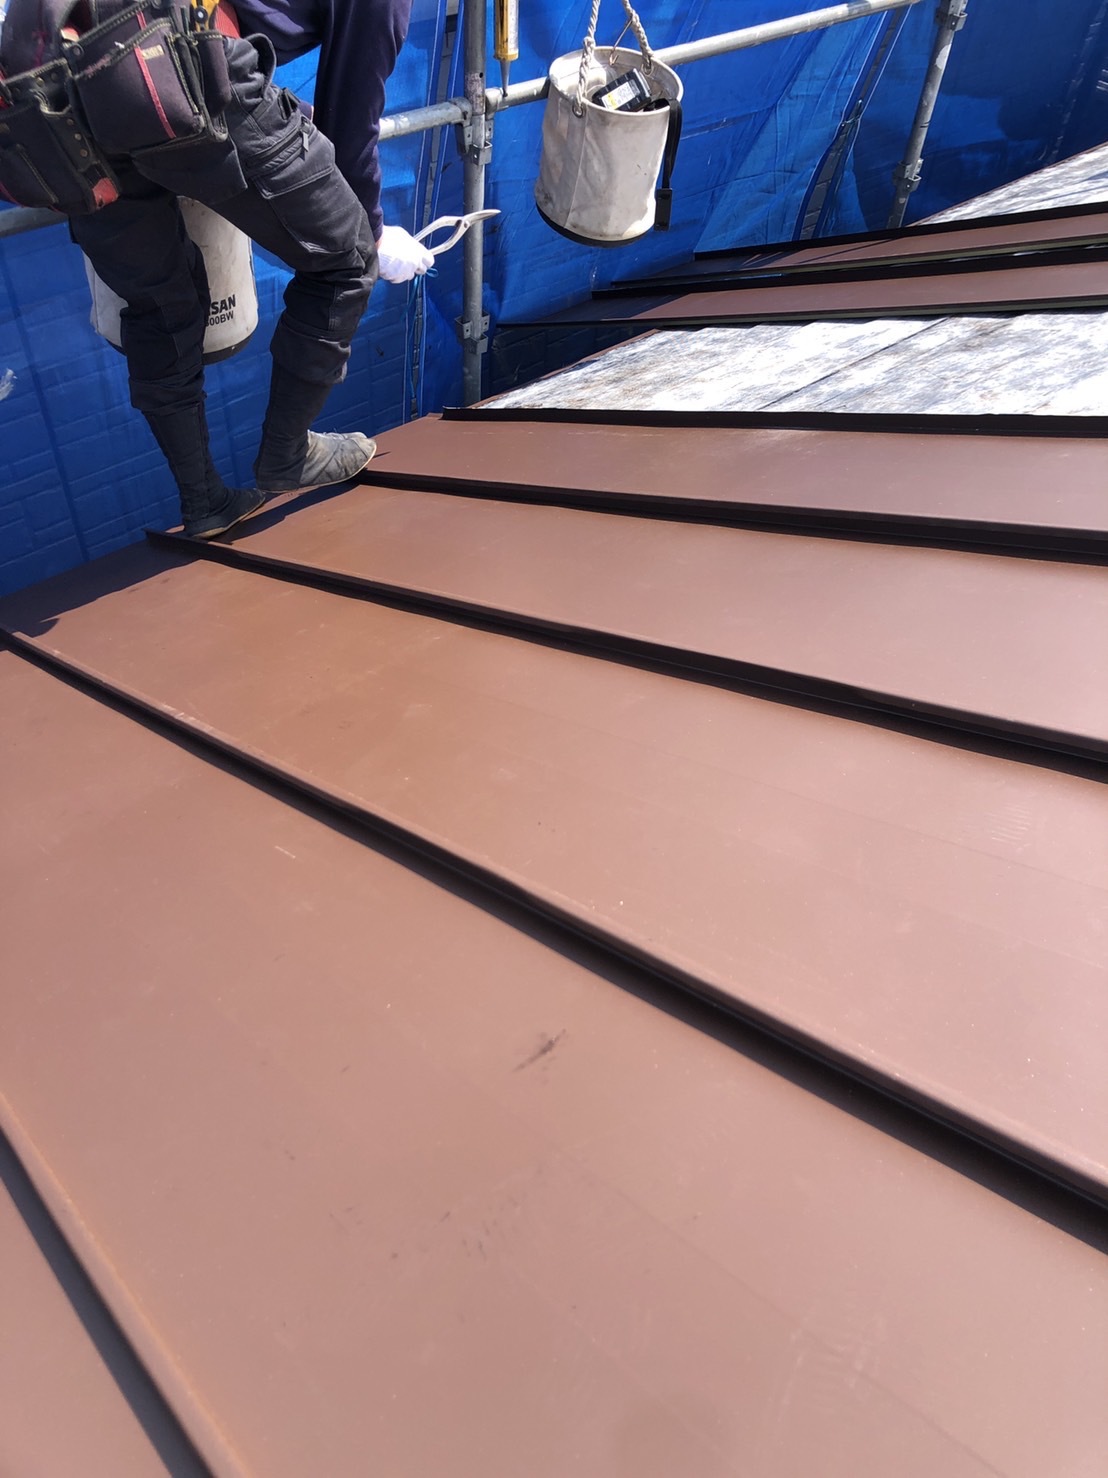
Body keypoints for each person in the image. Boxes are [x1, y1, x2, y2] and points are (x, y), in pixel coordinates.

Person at [0, 0, 425, 539]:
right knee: (347, 258)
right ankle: (287, 454)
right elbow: (352, 105)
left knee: (159, 308)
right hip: (175, 64)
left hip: (58, 111)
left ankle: (203, 500)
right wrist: (373, 229)